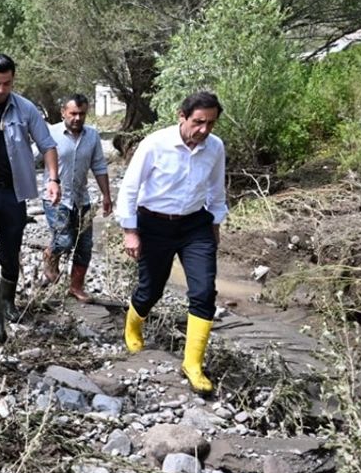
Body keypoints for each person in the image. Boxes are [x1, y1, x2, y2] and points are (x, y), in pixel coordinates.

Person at [115, 91, 228, 395]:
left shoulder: (215, 148)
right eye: (198, 122)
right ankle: (133, 326)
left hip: (195, 225)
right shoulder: (155, 144)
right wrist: (130, 230)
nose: (204, 130)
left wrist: (215, 223)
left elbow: (217, 190)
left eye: (211, 124)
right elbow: (129, 189)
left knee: (204, 290)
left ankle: (193, 364)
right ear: (182, 116)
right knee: (151, 289)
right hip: (153, 223)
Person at [0, 54, 60, 342]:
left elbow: (47, 145)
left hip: (13, 193)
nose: (1, 89)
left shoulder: (25, 109)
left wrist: (53, 179)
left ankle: (8, 302)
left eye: (7, 83)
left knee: (10, 253)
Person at [41, 93, 113, 302]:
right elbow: (31, 157)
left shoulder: (92, 136)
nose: (77, 118)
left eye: (81, 114)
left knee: (84, 245)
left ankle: (76, 287)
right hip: (55, 198)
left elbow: (99, 166)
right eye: (73, 113)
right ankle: (50, 254)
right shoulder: (50, 133)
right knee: (64, 240)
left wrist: (106, 195)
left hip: (81, 198)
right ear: (64, 112)